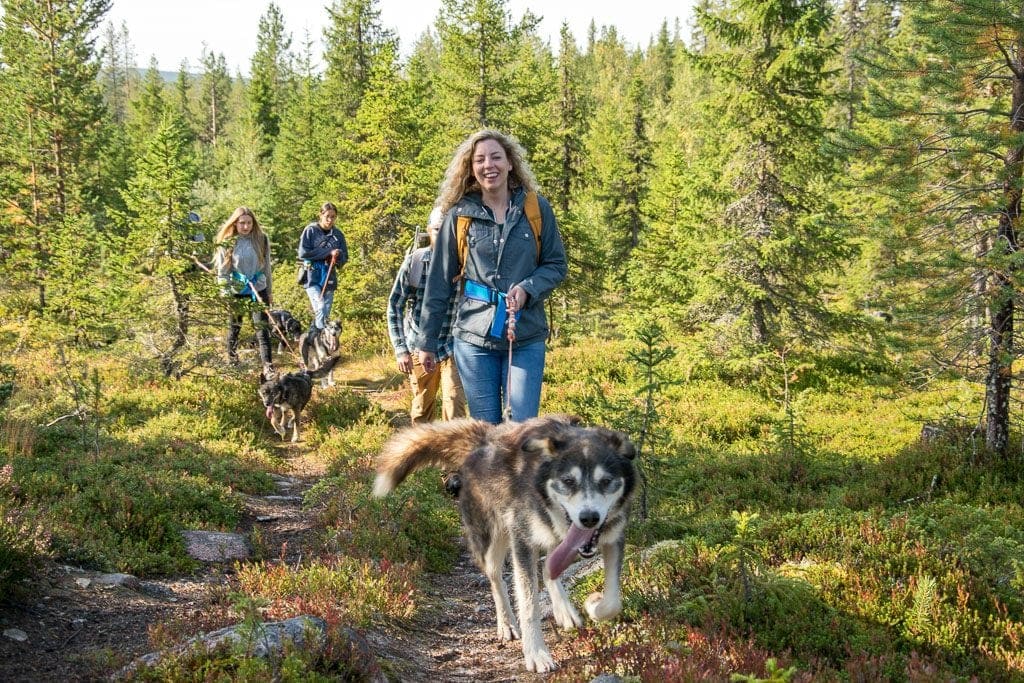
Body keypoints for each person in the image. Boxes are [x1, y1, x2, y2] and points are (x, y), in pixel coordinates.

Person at [417, 130, 567, 424]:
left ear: (510, 163)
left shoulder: (536, 209)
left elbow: (556, 264)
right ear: (471, 169)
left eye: (496, 157)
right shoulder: (459, 216)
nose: (489, 165)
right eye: (480, 160)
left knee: (522, 432)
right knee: (485, 436)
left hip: (525, 337)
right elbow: (438, 282)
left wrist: (528, 288)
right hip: (474, 339)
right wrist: (427, 341)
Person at [387, 206, 467, 424]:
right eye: (437, 229)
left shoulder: (466, 265)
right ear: (428, 230)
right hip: (419, 345)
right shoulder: (415, 263)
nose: (442, 236)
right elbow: (395, 306)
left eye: (447, 230)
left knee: (455, 404)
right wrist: (401, 350)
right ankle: (422, 456)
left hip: (454, 345)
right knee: (423, 407)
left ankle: (453, 458)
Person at [214, 207, 275, 374]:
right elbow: (223, 272)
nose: (246, 227)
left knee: (262, 328)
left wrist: (269, 291)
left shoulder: (262, 239)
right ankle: (232, 362)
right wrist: (225, 294)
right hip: (237, 290)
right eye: (242, 223)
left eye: (249, 223)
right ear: (235, 223)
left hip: (258, 288)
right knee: (234, 327)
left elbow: (267, 267)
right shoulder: (227, 242)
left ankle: (268, 366)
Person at [297, 202, 348, 332]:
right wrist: (327, 253)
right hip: (312, 276)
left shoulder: (338, 235)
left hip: (329, 276)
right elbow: (303, 253)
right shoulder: (311, 231)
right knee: (320, 307)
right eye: (327, 216)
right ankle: (318, 341)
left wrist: (338, 255)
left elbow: (344, 258)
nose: (330, 220)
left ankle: (315, 339)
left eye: (333, 217)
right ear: (321, 215)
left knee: (324, 313)